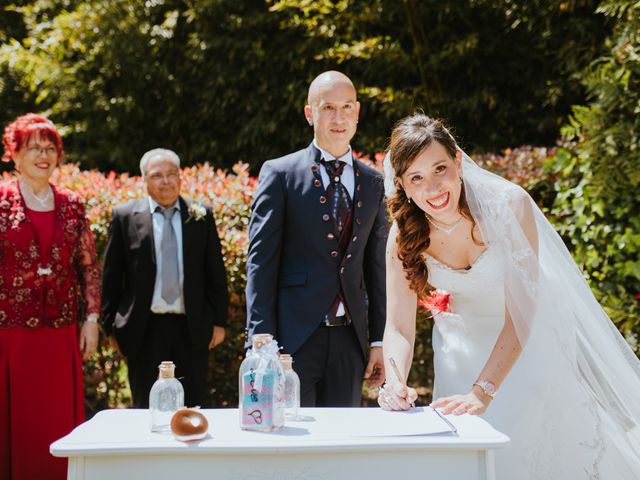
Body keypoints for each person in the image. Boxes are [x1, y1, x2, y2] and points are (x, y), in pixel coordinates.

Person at [378, 113, 640, 478]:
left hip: (526, 348)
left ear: (457, 161)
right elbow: (400, 328)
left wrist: (481, 393)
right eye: (417, 178)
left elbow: (521, 313)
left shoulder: (508, 207)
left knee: (525, 456)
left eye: (440, 169)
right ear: (403, 185)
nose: (433, 188)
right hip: (458, 353)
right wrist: (395, 381)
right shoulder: (403, 236)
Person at [246, 71, 388, 407]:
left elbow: (377, 268)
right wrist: (260, 343)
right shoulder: (280, 174)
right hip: (292, 341)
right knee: (292, 442)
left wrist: (379, 341)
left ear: (357, 111)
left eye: (346, 107)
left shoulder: (373, 182)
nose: (338, 118)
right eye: (327, 108)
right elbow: (261, 263)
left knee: (344, 444)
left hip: (349, 342)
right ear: (310, 113)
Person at [0, 113, 101, 480]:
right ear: (14, 154)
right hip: (9, 335)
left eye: (50, 148)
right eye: (33, 148)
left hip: (59, 333)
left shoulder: (72, 204)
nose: (43, 156)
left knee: (55, 421)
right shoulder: (1, 201)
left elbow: (88, 266)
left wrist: (91, 319)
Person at [101, 148, 228, 408]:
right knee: (145, 406)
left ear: (180, 178)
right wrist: (109, 327)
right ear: (144, 180)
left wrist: (219, 321)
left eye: (172, 174)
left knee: (192, 406)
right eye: (157, 175)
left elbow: (215, 272)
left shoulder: (200, 215)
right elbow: (112, 277)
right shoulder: (125, 216)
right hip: (144, 328)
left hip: (191, 326)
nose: (166, 181)